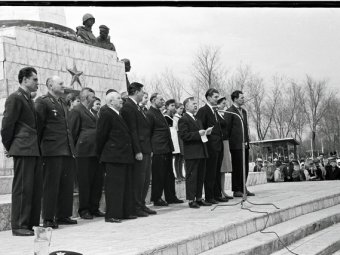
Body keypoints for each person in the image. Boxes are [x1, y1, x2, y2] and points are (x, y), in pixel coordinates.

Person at [1, 67, 42, 236]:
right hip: (23, 148)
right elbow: (7, 126)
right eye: (34, 80)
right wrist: (11, 147)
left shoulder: (28, 99)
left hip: (32, 149)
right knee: (23, 188)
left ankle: (30, 223)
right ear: (24, 80)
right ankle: (19, 225)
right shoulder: (15, 98)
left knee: (34, 188)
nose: (37, 83)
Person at [35, 76, 77, 229]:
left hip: (66, 149)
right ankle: (48, 218)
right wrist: (39, 150)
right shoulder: (43, 101)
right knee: (51, 185)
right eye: (60, 83)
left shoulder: (62, 102)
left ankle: (63, 215)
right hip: (51, 150)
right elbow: (38, 126)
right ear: (50, 85)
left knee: (66, 184)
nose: (63, 85)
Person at [96, 91, 134, 223]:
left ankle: (123, 212)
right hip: (113, 156)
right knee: (114, 187)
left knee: (124, 185)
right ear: (110, 101)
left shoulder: (118, 114)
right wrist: (101, 154)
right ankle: (112, 214)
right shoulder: (106, 114)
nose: (121, 100)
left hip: (122, 155)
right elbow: (101, 135)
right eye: (118, 98)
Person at [120, 82, 156, 217]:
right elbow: (132, 131)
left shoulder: (137, 107)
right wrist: (138, 150)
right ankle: (136, 206)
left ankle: (141, 204)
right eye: (141, 91)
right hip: (139, 149)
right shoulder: (128, 107)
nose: (143, 94)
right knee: (138, 180)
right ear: (135, 92)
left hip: (146, 147)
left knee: (146, 179)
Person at [69, 88, 104, 220]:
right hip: (83, 153)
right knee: (85, 182)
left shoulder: (93, 112)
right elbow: (72, 132)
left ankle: (94, 208)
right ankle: (84, 210)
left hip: (95, 153)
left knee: (97, 182)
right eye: (92, 97)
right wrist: (74, 151)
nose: (94, 99)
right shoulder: (76, 110)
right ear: (85, 97)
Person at [146, 93, 183, 206]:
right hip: (158, 149)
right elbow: (149, 133)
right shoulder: (150, 114)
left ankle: (170, 196)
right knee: (158, 175)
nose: (163, 101)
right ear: (153, 100)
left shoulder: (159, 113)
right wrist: (151, 149)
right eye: (160, 99)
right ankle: (157, 198)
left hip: (166, 147)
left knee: (169, 174)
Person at [196, 88, 227, 204]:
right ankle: (209, 196)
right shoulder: (203, 111)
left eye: (218, 97)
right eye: (215, 97)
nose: (217, 99)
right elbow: (200, 128)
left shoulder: (215, 111)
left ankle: (217, 194)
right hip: (210, 146)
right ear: (208, 98)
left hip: (219, 145)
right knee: (210, 172)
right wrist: (206, 143)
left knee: (217, 171)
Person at [178, 97, 210, 208]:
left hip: (201, 151)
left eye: (196, 104)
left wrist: (205, 133)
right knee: (192, 177)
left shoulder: (197, 119)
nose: (196, 105)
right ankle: (191, 200)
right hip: (192, 152)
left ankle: (199, 197)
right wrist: (198, 134)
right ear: (186, 106)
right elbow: (184, 135)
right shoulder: (184, 119)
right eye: (193, 104)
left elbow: (200, 134)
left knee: (200, 176)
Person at [225, 90, 255, 197]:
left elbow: (245, 127)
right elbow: (227, 130)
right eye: (241, 98)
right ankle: (237, 189)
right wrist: (229, 144)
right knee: (237, 167)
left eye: (243, 97)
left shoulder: (244, 111)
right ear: (235, 99)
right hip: (236, 145)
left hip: (244, 143)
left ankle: (243, 187)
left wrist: (247, 140)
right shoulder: (230, 112)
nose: (243, 99)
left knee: (245, 167)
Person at [217, 96, 233, 200]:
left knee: (223, 170)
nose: (224, 105)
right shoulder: (215, 115)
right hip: (220, 142)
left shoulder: (222, 115)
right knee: (220, 168)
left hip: (226, 142)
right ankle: (219, 191)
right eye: (222, 103)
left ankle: (223, 190)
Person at [173, 102, 185, 180]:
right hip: (177, 137)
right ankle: (178, 175)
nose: (181, 110)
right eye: (180, 108)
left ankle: (181, 174)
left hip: (181, 137)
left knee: (181, 157)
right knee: (177, 157)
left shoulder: (181, 117)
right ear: (176, 109)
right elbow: (175, 129)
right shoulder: (175, 118)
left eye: (182, 109)